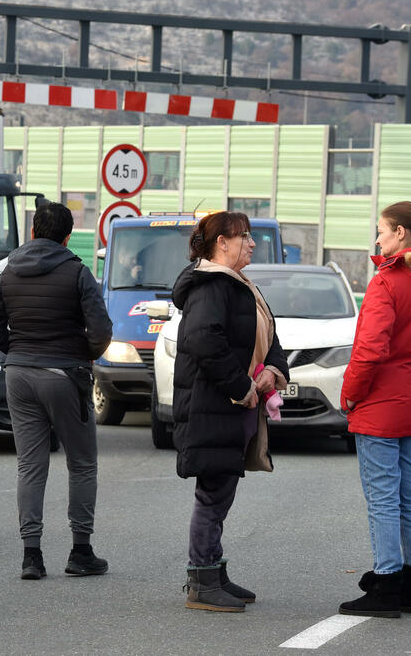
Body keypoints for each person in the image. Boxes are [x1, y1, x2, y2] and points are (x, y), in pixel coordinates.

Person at [0, 202, 113, 580]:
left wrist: (20, 352)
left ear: (33, 232)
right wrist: (81, 356)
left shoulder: (9, 272)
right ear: (67, 237)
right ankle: (80, 552)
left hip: (19, 375)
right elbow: (101, 331)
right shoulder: (78, 272)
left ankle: (31, 556)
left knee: (30, 465)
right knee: (82, 462)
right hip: (64, 374)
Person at [171, 211, 289, 613]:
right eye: (245, 237)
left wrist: (273, 369)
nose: (252, 243)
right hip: (213, 406)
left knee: (221, 490)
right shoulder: (211, 286)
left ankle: (214, 572)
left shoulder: (240, 284)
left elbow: (269, 334)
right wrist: (242, 387)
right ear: (222, 243)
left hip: (232, 407)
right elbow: (204, 340)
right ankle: (201, 580)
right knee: (213, 492)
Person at [338, 201, 411, 618]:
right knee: (408, 493)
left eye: (381, 230)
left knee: (383, 496)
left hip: (381, 401)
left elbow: (370, 348)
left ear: (401, 233)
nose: (377, 238)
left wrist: (350, 394)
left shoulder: (387, 282)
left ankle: (386, 583)